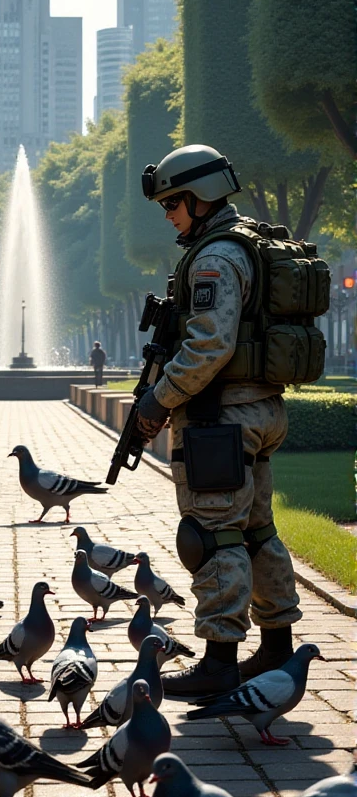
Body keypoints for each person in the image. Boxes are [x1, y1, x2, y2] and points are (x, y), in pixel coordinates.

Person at [134, 144, 307, 701]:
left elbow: (209, 345)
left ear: (199, 196)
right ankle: (277, 645)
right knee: (255, 530)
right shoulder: (244, 243)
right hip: (257, 410)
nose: (168, 215)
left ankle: (218, 662)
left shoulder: (214, 258)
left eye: (172, 203)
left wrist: (159, 399)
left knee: (211, 537)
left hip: (221, 417)